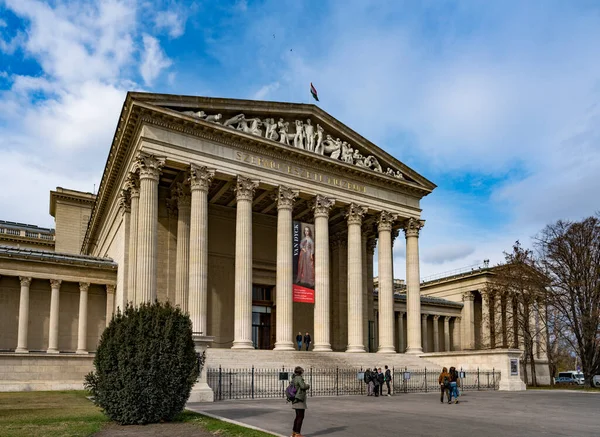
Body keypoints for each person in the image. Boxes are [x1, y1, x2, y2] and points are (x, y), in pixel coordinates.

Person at [291, 366, 310, 437]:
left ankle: (294, 432)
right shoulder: (299, 378)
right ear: (301, 372)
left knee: (297, 416)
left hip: (295, 398)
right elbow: (302, 386)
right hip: (299, 399)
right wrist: (307, 386)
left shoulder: (293, 378)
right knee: (300, 416)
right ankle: (297, 433)